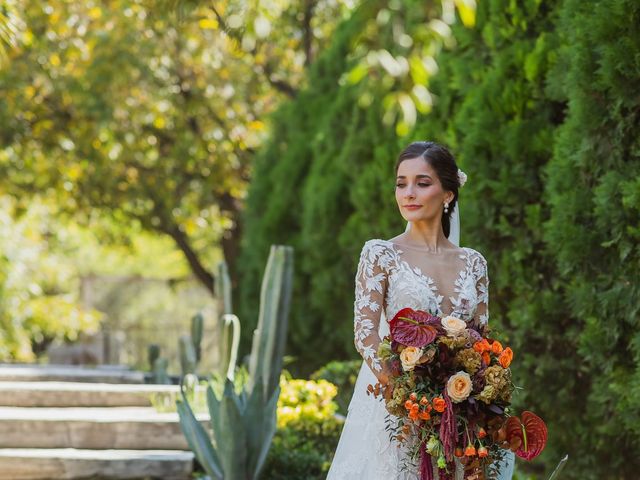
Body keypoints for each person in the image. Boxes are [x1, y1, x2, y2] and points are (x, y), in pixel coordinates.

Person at [326, 141, 514, 479]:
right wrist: (408, 394)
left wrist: (479, 399)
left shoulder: (474, 263)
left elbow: (482, 342)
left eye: (422, 183)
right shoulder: (380, 255)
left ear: (448, 194)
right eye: (401, 183)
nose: (408, 193)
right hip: (398, 409)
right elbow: (365, 335)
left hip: (460, 415)